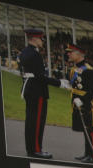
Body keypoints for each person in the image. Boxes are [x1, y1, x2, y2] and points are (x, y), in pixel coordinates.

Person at [17, 28, 60, 159]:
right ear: (34, 39)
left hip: (29, 88)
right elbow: (40, 76)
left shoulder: (24, 52)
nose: (42, 41)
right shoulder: (34, 54)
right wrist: (58, 82)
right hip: (37, 90)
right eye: (41, 38)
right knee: (37, 121)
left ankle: (31, 148)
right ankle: (36, 149)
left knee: (31, 120)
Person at [66, 43, 93, 163]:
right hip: (77, 101)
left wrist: (82, 100)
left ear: (79, 54)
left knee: (89, 129)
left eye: (71, 52)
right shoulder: (74, 69)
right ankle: (87, 153)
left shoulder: (88, 70)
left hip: (86, 103)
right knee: (84, 129)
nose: (68, 54)